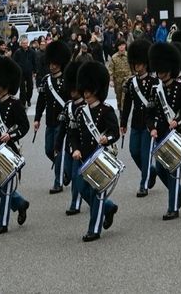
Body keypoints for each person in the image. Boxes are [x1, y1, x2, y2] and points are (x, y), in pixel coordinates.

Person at [70, 62, 119, 242]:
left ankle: (94, 229)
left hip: (100, 157)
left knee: (97, 193)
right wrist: (74, 148)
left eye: (90, 91)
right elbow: (73, 133)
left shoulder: (106, 110)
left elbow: (114, 132)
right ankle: (109, 207)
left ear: (97, 90)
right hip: (83, 157)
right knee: (83, 189)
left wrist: (108, 139)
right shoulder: (80, 112)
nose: (86, 94)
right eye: (85, 91)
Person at [0, 56, 30, 236]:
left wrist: (10, 134)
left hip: (9, 150)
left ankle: (2, 223)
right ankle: (20, 204)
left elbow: (24, 126)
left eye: (1, 85)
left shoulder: (15, 104)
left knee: (6, 187)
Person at [148, 42, 181, 221]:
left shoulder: (180, 86)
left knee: (174, 171)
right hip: (161, 134)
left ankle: (172, 207)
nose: (160, 73)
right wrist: (151, 127)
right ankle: (179, 192)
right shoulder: (155, 89)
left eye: (163, 70)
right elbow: (150, 113)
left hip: (176, 134)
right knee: (160, 169)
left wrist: (178, 120)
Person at [34, 40, 72, 194]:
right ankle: (66, 169)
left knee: (58, 150)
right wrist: (37, 118)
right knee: (49, 150)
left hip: (63, 122)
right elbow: (41, 101)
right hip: (50, 121)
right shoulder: (46, 81)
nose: (52, 66)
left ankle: (58, 182)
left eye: (55, 63)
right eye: (51, 63)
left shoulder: (67, 80)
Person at [120, 38, 156, 197]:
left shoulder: (154, 82)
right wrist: (123, 122)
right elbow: (127, 104)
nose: (137, 67)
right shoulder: (131, 83)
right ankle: (150, 171)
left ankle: (144, 184)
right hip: (136, 122)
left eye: (140, 63)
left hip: (149, 124)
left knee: (145, 153)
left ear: (146, 63)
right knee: (134, 151)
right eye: (135, 64)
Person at [62, 61, 84, 217]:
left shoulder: (87, 107)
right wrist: (57, 146)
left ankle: (75, 203)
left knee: (77, 176)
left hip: (82, 147)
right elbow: (63, 129)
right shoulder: (68, 106)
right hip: (69, 146)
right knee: (70, 174)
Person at [108, 39, 131, 109]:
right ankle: (120, 111)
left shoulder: (129, 56)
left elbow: (133, 67)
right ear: (117, 47)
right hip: (117, 81)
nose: (121, 47)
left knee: (124, 98)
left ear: (125, 46)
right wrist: (111, 80)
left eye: (123, 45)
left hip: (127, 79)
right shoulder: (114, 57)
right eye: (120, 45)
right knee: (119, 98)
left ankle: (124, 112)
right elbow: (111, 69)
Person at [13, 36, 35, 107]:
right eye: (23, 43)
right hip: (21, 73)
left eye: (26, 43)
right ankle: (23, 102)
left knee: (30, 87)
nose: (25, 45)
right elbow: (14, 62)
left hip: (29, 72)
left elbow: (34, 62)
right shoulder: (18, 52)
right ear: (21, 44)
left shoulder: (32, 52)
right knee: (22, 89)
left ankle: (28, 99)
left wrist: (35, 71)